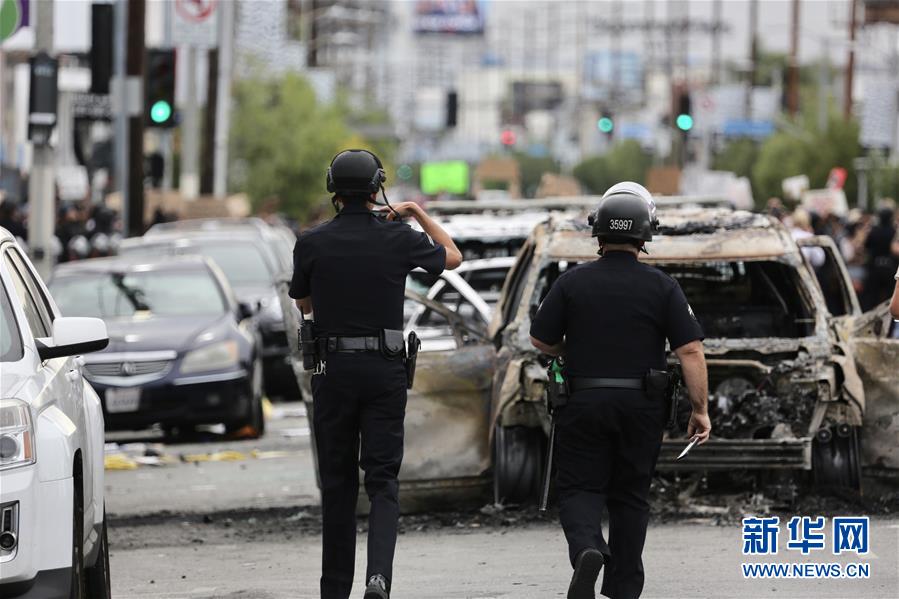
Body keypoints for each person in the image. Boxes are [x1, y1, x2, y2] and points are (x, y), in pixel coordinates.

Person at [289, 149, 462, 599]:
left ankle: (334, 589)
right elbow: (452, 256)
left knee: (339, 482)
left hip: (333, 369)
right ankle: (378, 578)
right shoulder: (398, 237)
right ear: (376, 188)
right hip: (384, 370)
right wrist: (415, 212)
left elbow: (303, 304)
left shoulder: (311, 242)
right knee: (382, 480)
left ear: (333, 190)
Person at [529, 183, 711, 599]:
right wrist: (699, 409)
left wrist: (570, 345)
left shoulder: (572, 283)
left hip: (582, 401)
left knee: (579, 489)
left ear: (598, 233)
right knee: (630, 497)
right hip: (642, 406)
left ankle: (588, 548)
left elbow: (540, 340)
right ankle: (624, 587)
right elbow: (691, 350)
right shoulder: (663, 287)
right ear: (646, 235)